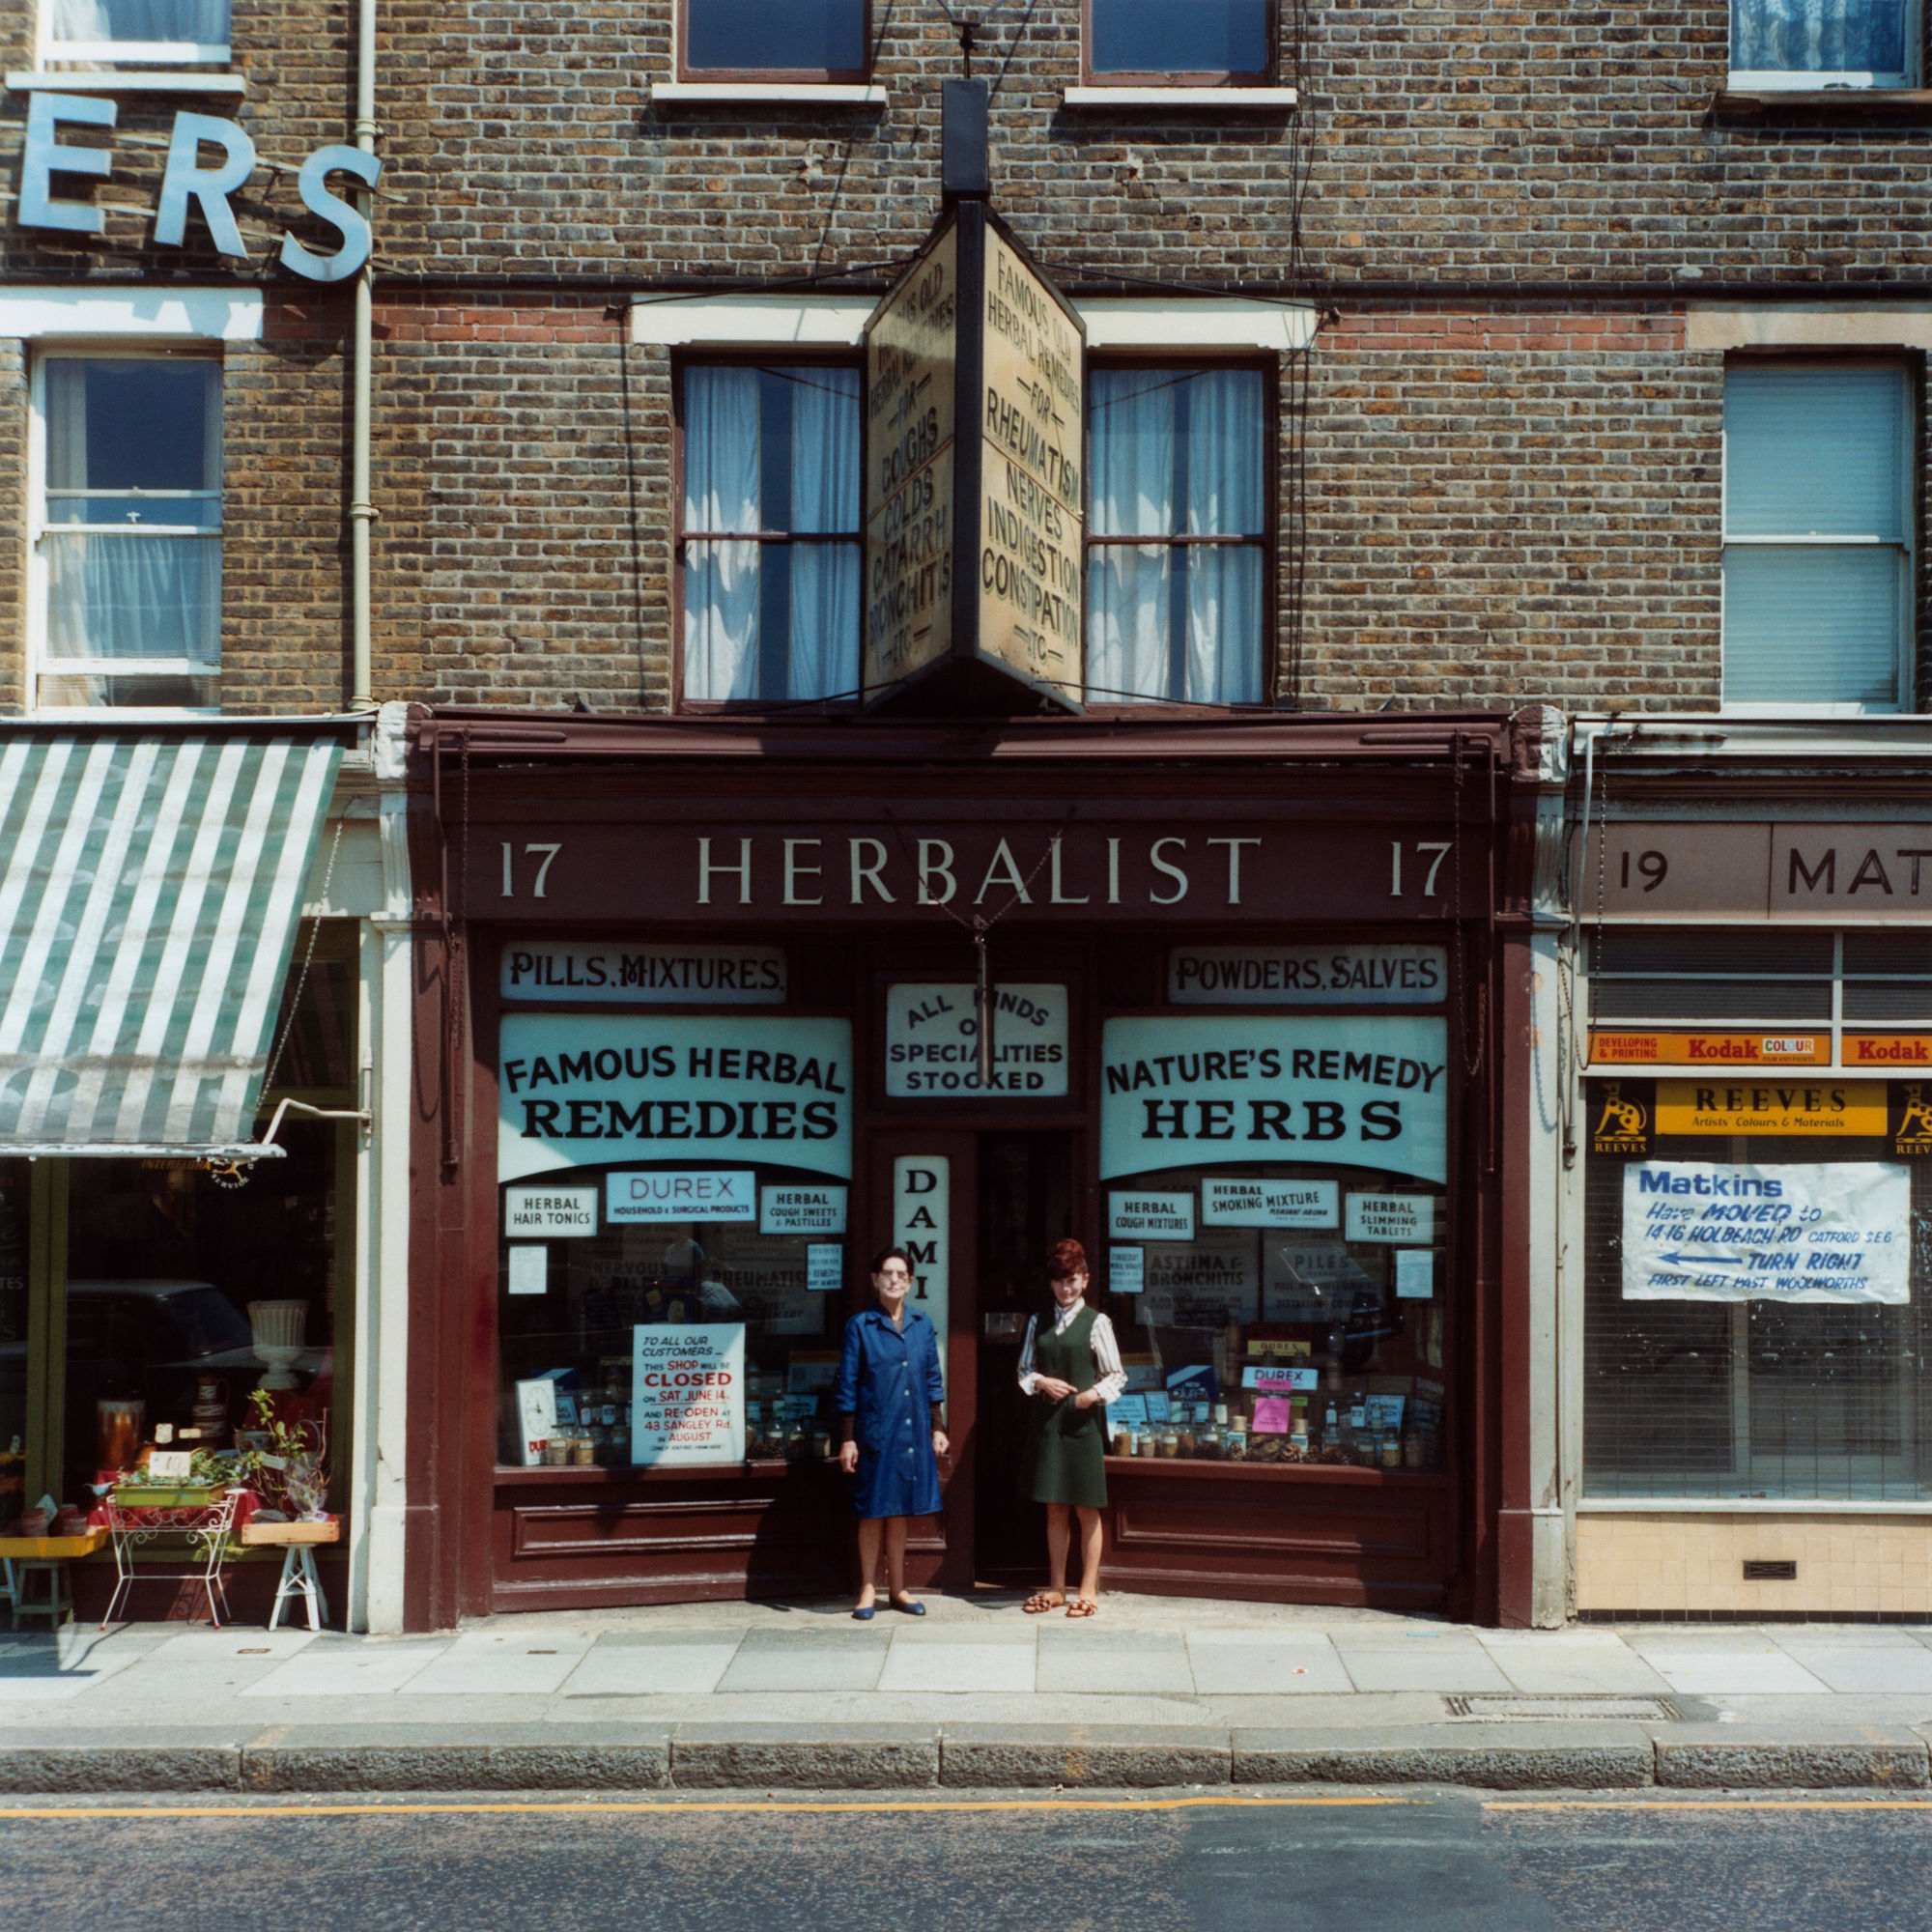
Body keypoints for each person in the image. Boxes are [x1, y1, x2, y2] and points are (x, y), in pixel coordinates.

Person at [834, 1245, 948, 1620]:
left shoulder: (922, 1324)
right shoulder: (861, 1326)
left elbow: (932, 1378)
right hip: (874, 1432)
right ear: (875, 1280)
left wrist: (937, 1426)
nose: (894, 1280)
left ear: (911, 1282)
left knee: (899, 1511)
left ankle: (898, 1587)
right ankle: (869, 1588)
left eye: (901, 1274)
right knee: (871, 1511)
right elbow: (847, 1383)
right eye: (888, 1273)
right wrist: (848, 1436)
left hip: (913, 1432)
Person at [1016, 1237, 1125, 1618]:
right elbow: (1023, 1370)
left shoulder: (1098, 1322)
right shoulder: (1038, 1321)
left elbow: (1116, 1375)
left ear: (1085, 1280)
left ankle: (1088, 1589)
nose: (1067, 1287)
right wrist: (1041, 1382)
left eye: (1074, 1279)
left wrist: (1090, 1396)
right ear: (1051, 1283)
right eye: (1060, 1280)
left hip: (1081, 1425)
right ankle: (1057, 1587)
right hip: (1048, 1425)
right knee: (1055, 1508)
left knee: (1087, 1509)